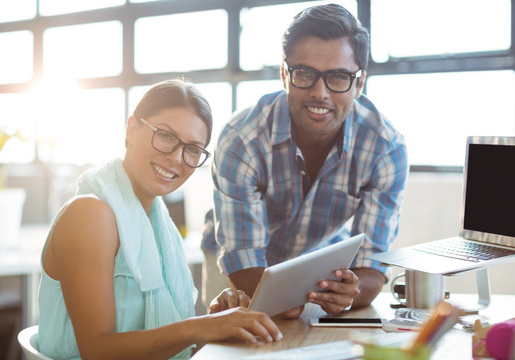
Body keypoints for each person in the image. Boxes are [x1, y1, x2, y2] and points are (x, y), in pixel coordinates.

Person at [37, 79, 282, 360]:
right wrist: (199, 328)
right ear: (131, 130)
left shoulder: (160, 227)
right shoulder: (89, 214)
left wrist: (218, 320)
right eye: (165, 136)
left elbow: (166, 341)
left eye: (192, 149)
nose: (176, 158)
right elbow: (97, 351)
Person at [201, 3, 408, 317]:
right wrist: (286, 299)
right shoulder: (242, 140)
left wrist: (350, 292)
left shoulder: (385, 148)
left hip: (314, 268)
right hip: (234, 264)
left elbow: (372, 267)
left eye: (338, 77)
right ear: (285, 74)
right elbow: (243, 262)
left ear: (359, 83)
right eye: (305, 74)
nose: (320, 93)